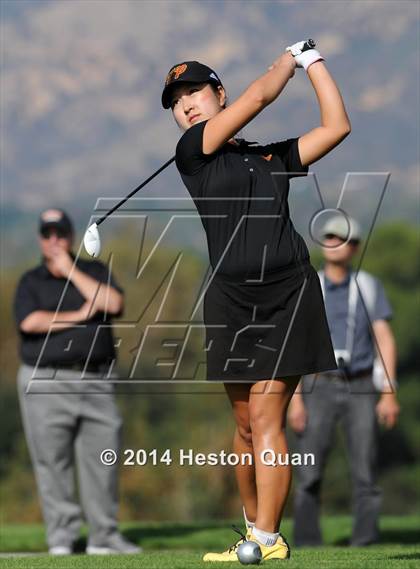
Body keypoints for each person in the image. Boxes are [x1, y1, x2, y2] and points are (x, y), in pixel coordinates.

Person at [161, 39, 350, 562]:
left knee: (267, 419)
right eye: (177, 101)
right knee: (244, 427)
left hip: (288, 294)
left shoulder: (269, 157)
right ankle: (254, 529)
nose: (186, 105)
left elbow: (336, 127)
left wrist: (310, 62)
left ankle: (267, 540)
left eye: (195, 91)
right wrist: (283, 62)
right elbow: (261, 96)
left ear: (218, 93)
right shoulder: (193, 153)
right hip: (229, 300)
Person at [14, 208, 141, 556]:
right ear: (40, 238)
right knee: (52, 462)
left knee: (103, 460)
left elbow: (113, 302)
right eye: (47, 234)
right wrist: (81, 315)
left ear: (70, 236)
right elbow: (30, 322)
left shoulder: (93, 271)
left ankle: (104, 537)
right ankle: (62, 539)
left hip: (96, 381)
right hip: (44, 383)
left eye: (60, 233)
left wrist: (71, 270)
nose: (53, 240)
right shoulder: (31, 281)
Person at [289, 214, 400, 547]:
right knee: (308, 471)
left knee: (365, 471)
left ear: (355, 247)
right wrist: (294, 399)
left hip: (362, 386)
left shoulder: (368, 285)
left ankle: (364, 542)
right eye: (330, 237)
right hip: (317, 386)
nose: (335, 243)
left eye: (343, 239)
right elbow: (294, 344)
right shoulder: (309, 285)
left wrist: (389, 393)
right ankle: (308, 543)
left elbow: (384, 337)